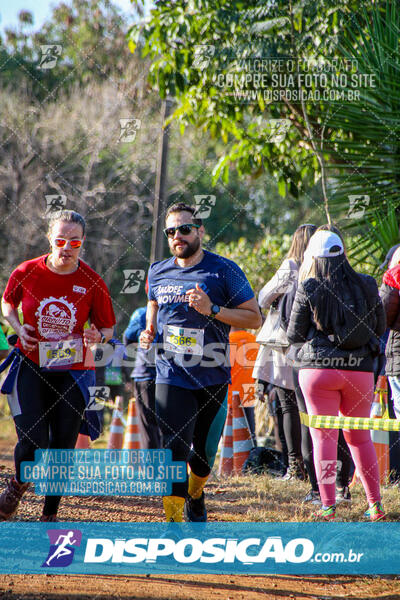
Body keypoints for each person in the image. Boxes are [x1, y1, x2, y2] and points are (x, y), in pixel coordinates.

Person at [140, 202, 261, 522]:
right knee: (174, 449)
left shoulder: (224, 270)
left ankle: (195, 493)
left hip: (213, 375)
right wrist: (150, 327)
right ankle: (173, 525)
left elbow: (254, 318)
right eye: (171, 231)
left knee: (204, 457)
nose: (177, 235)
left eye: (184, 229)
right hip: (171, 372)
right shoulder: (157, 270)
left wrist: (213, 310)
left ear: (200, 231)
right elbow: (152, 302)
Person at [0, 210, 115, 521]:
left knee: (62, 445)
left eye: (74, 242)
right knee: (33, 440)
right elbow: (7, 301)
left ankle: (49, 514)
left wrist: (97, 336)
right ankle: (17, 485)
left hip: (73, 371)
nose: (67, 247)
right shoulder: (27, 271)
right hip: (31, 364)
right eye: (61, 240)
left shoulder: (92, 281)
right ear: (50, 239)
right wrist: (15, 326)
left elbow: (108, 329)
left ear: (82, 244)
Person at [287, 230, 386, 521]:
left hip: (318, 372)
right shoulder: (367, 284)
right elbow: (379, 328)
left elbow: (293, 334)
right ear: (343, 254)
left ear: (314, 259)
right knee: (360, 438)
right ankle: (375, 504)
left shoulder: (309, 287)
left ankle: (328, 506)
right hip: (360, 371)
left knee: (324, 440)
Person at [253, 223, 317, 480]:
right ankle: (313, 467)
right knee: (308, 408)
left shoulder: (291, 266)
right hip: (314, 345)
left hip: (285, 344)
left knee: (288, 405)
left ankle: (294, 467)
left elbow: (263, 298)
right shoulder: (320, 268)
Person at [123, 305, 160, 449]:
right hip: (167, 376)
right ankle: (166, 466)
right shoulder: (175, 310)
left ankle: (154, 468)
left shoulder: (141, 313)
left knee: (149, 426)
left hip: (146, 374)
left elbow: (128, 338)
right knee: (167, 425)